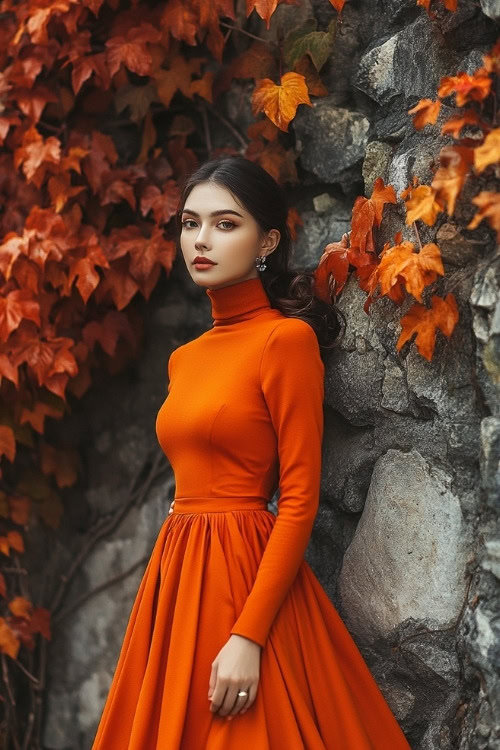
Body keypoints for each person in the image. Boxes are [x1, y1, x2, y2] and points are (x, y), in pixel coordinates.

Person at [90, 155, 412, 749]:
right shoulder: (183, 358)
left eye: (225, 223)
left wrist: (249, 636)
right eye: (190, 223)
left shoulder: (284, 342)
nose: (201, 240)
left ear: (267, 240)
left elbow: (299, 499)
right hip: (177, 570)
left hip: (244, 577)